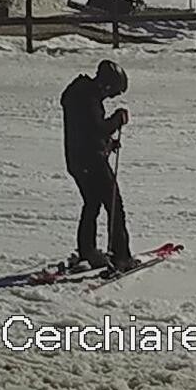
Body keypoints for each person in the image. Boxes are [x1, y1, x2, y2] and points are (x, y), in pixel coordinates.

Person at [60, 59, 134, 271]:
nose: (110, 97)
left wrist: (107, 143)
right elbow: (98, 128)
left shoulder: (80, 94)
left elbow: (86, 130)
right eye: (112, 92)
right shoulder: (87, 98)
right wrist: (117, 119)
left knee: (92, 203)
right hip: (91, 161)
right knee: (114, 205)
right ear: (106, 85)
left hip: (77, 160)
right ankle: (121, 257)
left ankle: (88, 251)